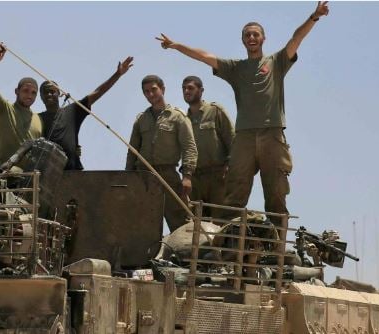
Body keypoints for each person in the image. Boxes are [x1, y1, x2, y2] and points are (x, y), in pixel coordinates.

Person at [155, 1, 330, 221]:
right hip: (244, 137)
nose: (252, 38)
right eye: (247, 35)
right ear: (243, 40)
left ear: (263, 39)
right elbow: (204, 56)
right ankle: (227, 245)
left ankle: (276, 250)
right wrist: (175, 45)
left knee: (275, 194)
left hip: (272, 134)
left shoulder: (276, 62)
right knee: (234, 193)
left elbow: (296, 39)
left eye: (256, 34)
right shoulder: (235, 68)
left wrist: (314, 16)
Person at [126, 75, 198, 233]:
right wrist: (128, 176)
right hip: (143, 176)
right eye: (146, 92)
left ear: (162, 89)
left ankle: (181, 255)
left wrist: (187, 176)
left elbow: (189, 147)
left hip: (168, 175)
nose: (150, 95)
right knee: (142, 220)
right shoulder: (141, 120)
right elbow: (133, 151)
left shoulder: (177, 117)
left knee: (179, 220)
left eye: (153, 90)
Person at [39, 56, 134, 170]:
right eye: (45, 92)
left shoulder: (73, 110)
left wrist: (118, 74)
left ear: (59, 93)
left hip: (74, 171)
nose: (49, 94)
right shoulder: (37, 119)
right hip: (48, 173)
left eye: (52, 91)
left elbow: (98, 92)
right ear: (41, 96)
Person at [181, 76, 234, 219]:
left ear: (201, 90)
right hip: (195, 179)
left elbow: (233, 141)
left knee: (220, 223)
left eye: (190, 88)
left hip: (218, 177)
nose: (186, 91)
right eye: (184, 88)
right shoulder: (183, 120)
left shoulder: (215, 111)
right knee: (195, 225)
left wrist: (229, 167)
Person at [0, 43, 42, 170]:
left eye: (33, 92)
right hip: (4, 175)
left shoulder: (39, 119)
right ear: (17, 91)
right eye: (26, 90)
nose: (29, 95)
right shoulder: (4, 109)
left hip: (30, 181)